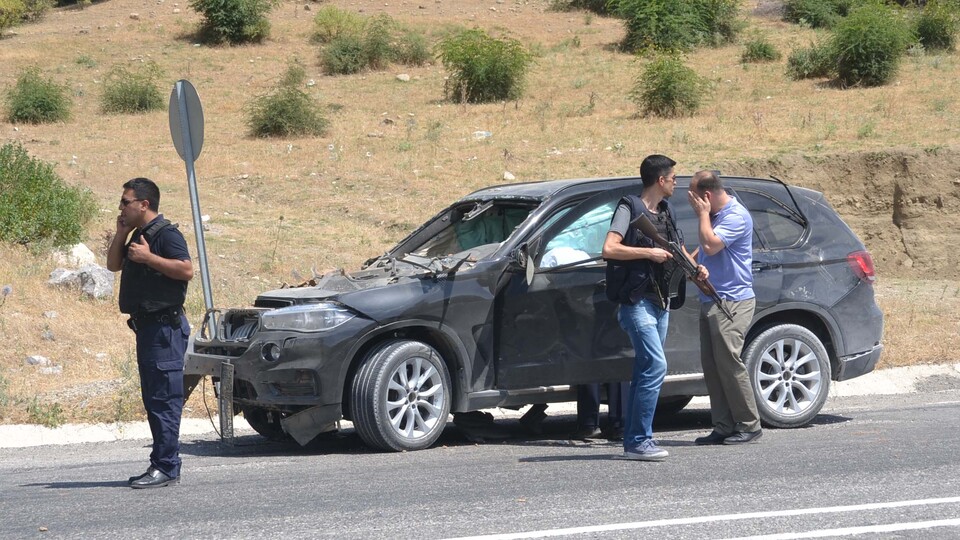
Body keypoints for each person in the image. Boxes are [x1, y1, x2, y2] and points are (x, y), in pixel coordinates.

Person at [602, 154, 697, 461]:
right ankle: (640, 439)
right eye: (673, 179)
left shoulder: (666, 212)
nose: (676, 184)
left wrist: (696, 268)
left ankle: (634, 441)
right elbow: (609, 248)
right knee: (655, 366)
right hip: (637, 302)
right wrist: (648, 253)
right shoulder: (629, 208)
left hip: (661, 302)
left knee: (646, 370)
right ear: (660, 180)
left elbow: (676, 247)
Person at [107, 177, 194, 488]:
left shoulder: (166, 235)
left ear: (144, 204)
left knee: (164, 400)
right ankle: (162, 463)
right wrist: (120, 234)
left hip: (164, 330)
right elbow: (113, 265)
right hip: (148, 330)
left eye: (126, 202)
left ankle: (167, 467)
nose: (121, 207)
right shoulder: (137, 234)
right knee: (155, 399)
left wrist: (150, 259)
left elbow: (186, 270)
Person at [687, 170, 762, 445]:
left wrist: (702, 215)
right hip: (711, 299)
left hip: (732, 301)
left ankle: (749, 424)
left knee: (729, 364)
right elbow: (704, 250)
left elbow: (711, 243)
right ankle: (723, 425)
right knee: (713, 366)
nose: (691, 203)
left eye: (694, 197)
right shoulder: (717, 217)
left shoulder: (735, 216)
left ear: (706, 196)